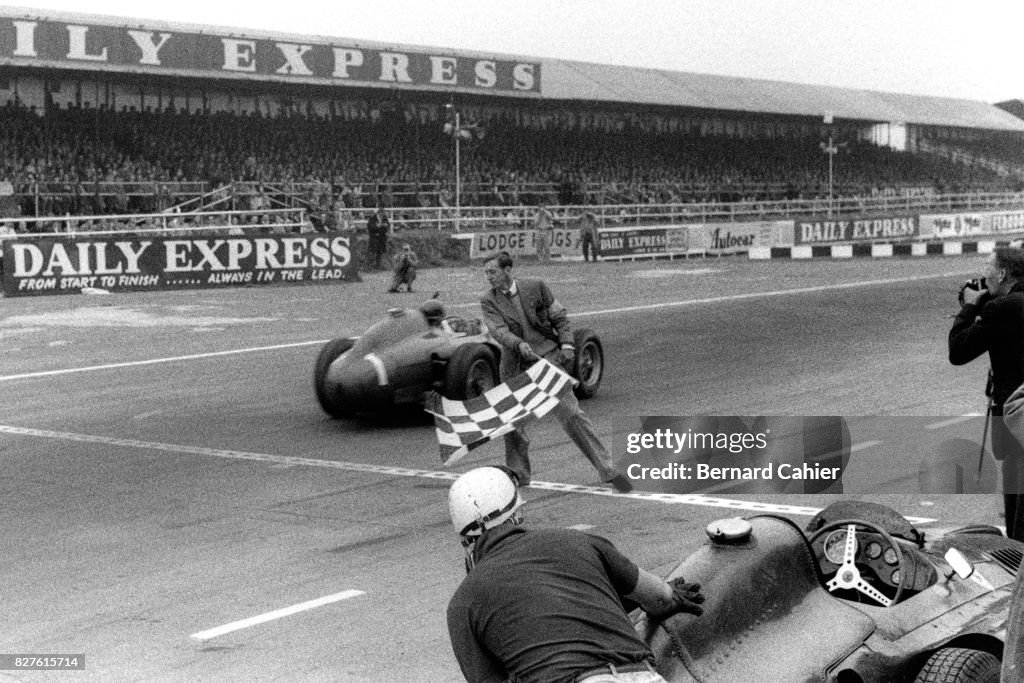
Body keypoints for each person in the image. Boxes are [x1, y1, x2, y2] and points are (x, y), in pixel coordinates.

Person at [446, 466, 704, 683]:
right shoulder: (577, 541)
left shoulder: (463, 603)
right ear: (517, 516)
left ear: (465, 543)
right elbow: (660, 597)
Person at [481, 251, 631, 492]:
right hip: (515, 366)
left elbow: (559, 317)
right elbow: (498, 331)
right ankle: (520, 473)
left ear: (508, 270)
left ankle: (608, 469)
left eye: (493, 272)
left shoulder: (537, 286)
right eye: (486, 273)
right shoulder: (488, 300)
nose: (489, 277)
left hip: (548, 360)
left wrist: (568, 345)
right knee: (513, 424)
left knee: (571, 414)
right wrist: (518, 344)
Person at [949, 246, 1024, 542]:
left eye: (988, 268)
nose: (984, 274)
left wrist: (969, 307)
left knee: (1018, 518)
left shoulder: (1002, 308)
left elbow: (959, 350)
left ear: (1003, 273)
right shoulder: (1007, 305)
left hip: (1016, 421)